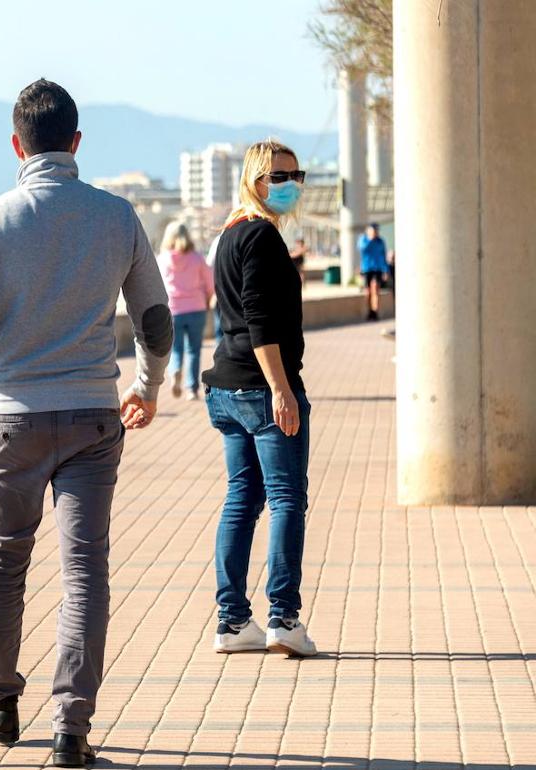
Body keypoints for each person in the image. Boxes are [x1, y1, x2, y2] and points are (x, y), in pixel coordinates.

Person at [0, 78, 172, 767]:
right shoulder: (118, 216)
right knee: (85, 571)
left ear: (17, 146)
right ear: (76, 144)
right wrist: (149, 385)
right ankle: (72, 730)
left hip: (12, 420)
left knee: (5, 555)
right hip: (92, 417)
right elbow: (155, 318)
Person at [203, 139, 317, 658]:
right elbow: (259, 321)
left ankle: (232, 622)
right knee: (286, 498)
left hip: (225, 389)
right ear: (255, 179)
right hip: (260, 388)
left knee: (243, 499)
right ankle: (283, 618)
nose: (290, 184)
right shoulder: (262, 238)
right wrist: (281, 389)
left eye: (296, 175)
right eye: (279, 176)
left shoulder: (228, 236)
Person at [157, 222, 213, 401]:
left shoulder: (163, 258)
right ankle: (192, 389)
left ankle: (175, 371)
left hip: (173, 310)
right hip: (196, 308)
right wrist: (207, 298)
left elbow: (156, 285)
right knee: (194, 350)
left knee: (176, 348)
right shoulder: (196, 257)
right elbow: (210, 281)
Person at [359, 223, 388, 321]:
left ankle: (375, 311)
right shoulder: (363, 239)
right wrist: (370, 239)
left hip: (378, 268)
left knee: (375, 288)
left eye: (376, 230)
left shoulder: (380, 242)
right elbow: (362, 249)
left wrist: (385, 270)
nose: (375, 232)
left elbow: (383, 255)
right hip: (367, 268)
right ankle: (369, 311)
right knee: (368, 292)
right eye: (373, 230)